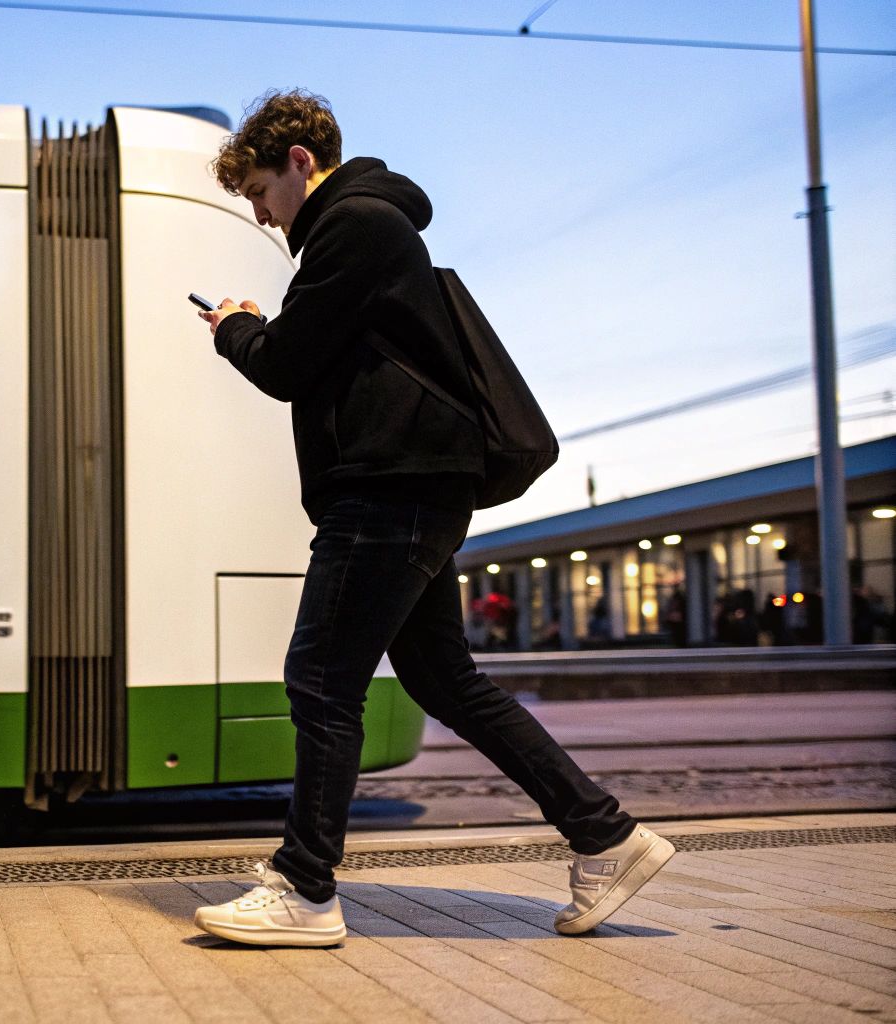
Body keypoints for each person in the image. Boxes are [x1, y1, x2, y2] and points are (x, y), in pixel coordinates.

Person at [187, 89, 672, 948]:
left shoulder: (355, 227)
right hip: (412, 485)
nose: (261, 214)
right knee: (445, 679)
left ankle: (304, 890)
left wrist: (237, 327)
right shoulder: (367, 228)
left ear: (300, 161)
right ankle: (607, 837)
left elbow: (289, 365)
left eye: (261, 191)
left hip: (390, 485)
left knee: (322, 679)